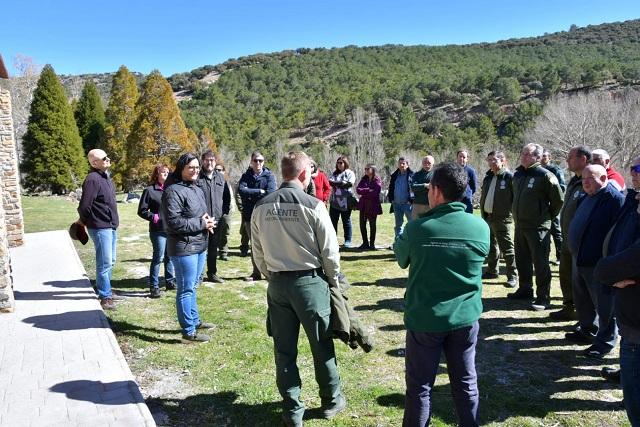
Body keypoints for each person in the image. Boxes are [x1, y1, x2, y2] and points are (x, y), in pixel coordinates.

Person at [251, 151, 346, 426]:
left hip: (278, 284)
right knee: (322, 346)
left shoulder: (261, 206)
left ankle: (292, 410)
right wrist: (334, 281)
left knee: (284, 350)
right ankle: (330, 400)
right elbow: (330, 253)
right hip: (309, 283)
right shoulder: (314, 205)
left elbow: (257, 254)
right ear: (304, 174)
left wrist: (273, 275)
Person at [394, 162, 489, 427]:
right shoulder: (480, 228)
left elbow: (401, 257)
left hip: (425, 318)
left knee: (420, 388)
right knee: (466, 382)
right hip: (465, 318)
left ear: (435, 191)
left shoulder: (417, 229)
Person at [594, 155, 640, 426]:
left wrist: (606, 272)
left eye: (639, 168)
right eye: (633, 168)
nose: (633, 173)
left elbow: (632, 258)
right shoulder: (632, 201)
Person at [566, 164, 624, 358]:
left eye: (591, 178)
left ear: (603, 178)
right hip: (579, 258)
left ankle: (605, 342)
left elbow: (617, 233)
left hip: (598, 262)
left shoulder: (613, 199)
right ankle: (587, 330)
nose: (586, 182)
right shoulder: (586, 197)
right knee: (583, 300)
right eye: (583, 179)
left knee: (605, 305)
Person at [161, 153, 216, 343]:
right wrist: (201, 224)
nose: (195, 170)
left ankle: (195, 320)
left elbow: (200, 214)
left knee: (192, 287)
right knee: (185, 289)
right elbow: (173, 223)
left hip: (199, 245)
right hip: (183, 247)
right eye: (190, 167)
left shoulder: (196, 188)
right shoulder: (172, 191)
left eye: (197, 167)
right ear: (181, 168)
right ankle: (189, 331)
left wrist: (207, 222)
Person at [508, 143, 564, 311]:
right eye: (523, 153)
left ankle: (543, 296)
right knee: (522, 260)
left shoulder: (546, 176)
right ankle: (525, 289)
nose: (523, 156)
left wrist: (545, 217)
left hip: (538, 227)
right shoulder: (517, 175)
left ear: (537, 158)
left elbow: (558, 201)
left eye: (527, 154)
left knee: (540, 263)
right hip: (520, 225)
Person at [77, 149, 121, 311]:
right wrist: (83, 221)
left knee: (111, 260)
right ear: (94, 163)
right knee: (104, 262)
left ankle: (107, 289)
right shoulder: (92, 179)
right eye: (104, 158)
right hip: (100, 226)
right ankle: (105, 296)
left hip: (110, 226)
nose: (108, 159)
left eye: (108, 156)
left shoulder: (105, 177)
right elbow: (85, 205)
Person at [550, 146, 591, 321]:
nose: (567, 161)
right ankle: (569, 307)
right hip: (567, 239)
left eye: (571, 157)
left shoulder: (590, 182)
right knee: (566, 275)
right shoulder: (575, 181)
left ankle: (584, 317)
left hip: (580, 242)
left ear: (583, 159)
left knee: (580, 282)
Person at [479, 151, 517, 288]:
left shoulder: (509, 177)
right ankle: (491, 271)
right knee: (491, 247)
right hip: (487, 217)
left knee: (507, 249)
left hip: (502, 219)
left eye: (494, 160)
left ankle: (512, 275)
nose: (491, 163)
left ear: (503, 161)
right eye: (489, 160)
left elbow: (515, 199)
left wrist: (510, 215)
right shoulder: (488, 177)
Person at [137, 163, 176, 298]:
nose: (166, 174)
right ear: (157, 175)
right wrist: (154, 217)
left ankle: (170, 281)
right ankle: (154, 286)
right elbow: (141, 211)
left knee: (170, 257)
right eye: (163, 172)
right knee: (158, 258)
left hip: (171, 229)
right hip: (158, 230)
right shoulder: (149, 190)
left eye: (167, 172)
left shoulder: (171, 189)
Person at [238, 150, 277, 281]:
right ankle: (256, 272)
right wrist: (260, 191)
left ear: (264, 162)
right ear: (251, 162)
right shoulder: (245, 176)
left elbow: (271, 192)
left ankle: (270, 271)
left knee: (267, 244)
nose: (258, 163)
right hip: (249, 216)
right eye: (255, 160)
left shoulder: (269, 176)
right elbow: (242, 190)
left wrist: (251, 193)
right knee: (254, 245)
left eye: (260, 160)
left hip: (266, 215)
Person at [197, 150, 231, 283]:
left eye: (211, 160)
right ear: (202, 161)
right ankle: (198, 276)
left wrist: (223, 213)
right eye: (206, 159)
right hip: (200, 220)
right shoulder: (197, 178)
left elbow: (227, 197)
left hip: (217, 220)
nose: (209, 162)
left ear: (215, 161)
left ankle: (212, 273)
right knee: (200, 248)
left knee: (213, 248)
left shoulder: (221, 178)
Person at [541, 149, 566, 264]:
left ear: (549, 157)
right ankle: (544, 255)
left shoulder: (555, 170)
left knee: (556, 231)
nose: (542, 158)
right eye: (541, 156)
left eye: (545, 156)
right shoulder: (537, 171)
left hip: (553, 205)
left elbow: (561, 187)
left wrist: (553, 201)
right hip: (541, 207)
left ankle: (560, 256)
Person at [328, 155, 356, 247]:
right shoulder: (335, 173)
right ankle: (333, 240)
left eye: (341, 163)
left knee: (346, 221)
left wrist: (339, 184)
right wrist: (341, 183)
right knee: (333, 222)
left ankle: (348, 240)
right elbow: (330, 182)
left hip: (346, 201)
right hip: (334, 201)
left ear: (345, 163)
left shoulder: (350, 173)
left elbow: (349, 184)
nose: (339, 164)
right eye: (338, 163)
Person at [356, 163, 382, 250]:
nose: (366, 170)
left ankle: (372, 244)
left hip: (373, 205)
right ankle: (365, 243)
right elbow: (358, 190)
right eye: (365, 169)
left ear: (373, 170)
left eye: (368, 169)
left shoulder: (377, 180)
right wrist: (368, 190)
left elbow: (375, 192)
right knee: (362, 224)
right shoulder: (364, 179)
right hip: (363, 205)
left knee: (372, 225)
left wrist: (365, 192)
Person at [388, 157, 414, 237]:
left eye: (403, 163)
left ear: (407, 164)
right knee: (398, 225)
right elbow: (391, 188)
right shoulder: (394, 175)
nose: (401, 165)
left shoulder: (412, 175)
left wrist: (411, 201)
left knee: (412, 224)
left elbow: (414, 190)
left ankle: (411, 242)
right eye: (400, 163)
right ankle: (398, 243)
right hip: (396, 204)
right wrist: (391, 199)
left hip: (408, 204)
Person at [215, 163, 233, 261]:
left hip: (226, 211)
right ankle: (213, 252)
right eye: (216, 170)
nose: (218, 172)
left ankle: (223, 252)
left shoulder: (227, 182)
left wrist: (228, 210)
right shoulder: (211, 183)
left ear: (224, 171)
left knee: (225, 232)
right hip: (214, 212)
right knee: (214, 233)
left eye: (220, 170)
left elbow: (230, 198)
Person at [411, 155, 434, 219]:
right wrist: (425, 186)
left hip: (431, 205)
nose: (427, 165)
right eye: (425, 163)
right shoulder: (417, 174)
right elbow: (413, 187)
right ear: (422, 163)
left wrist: (420, 188)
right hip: (418, 204)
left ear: (433, 163)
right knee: (415, 224)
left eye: (429, 163)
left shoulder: (437, 174)